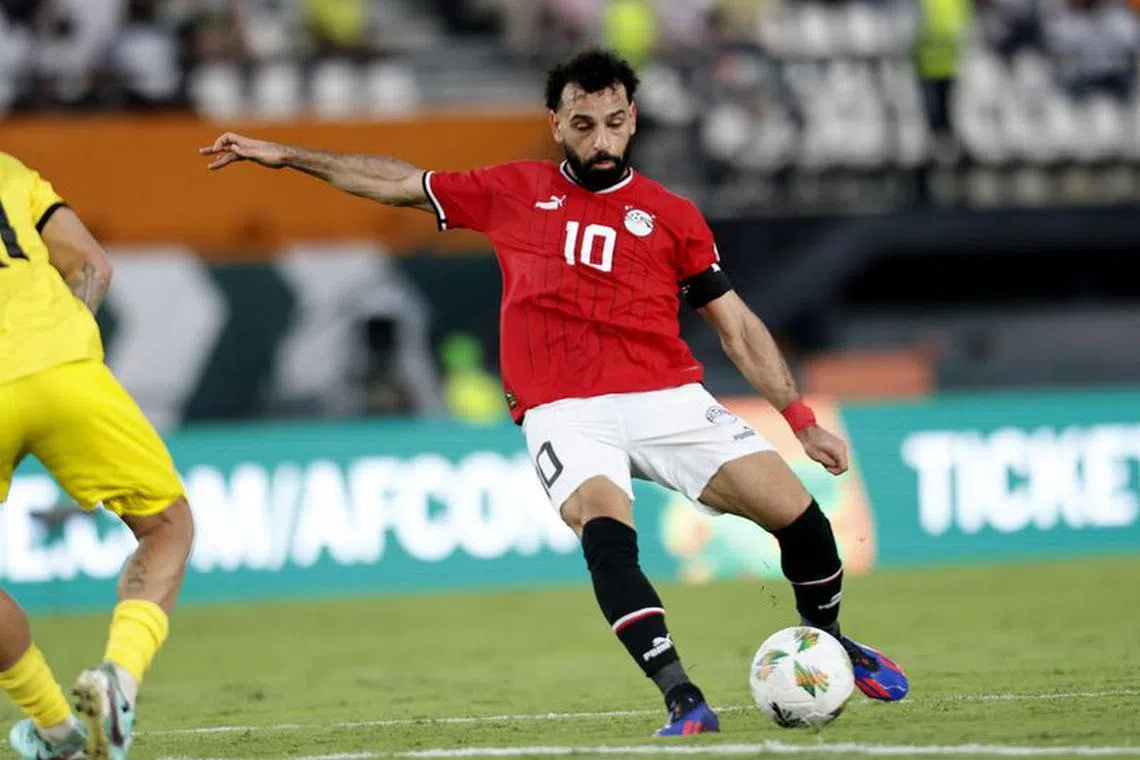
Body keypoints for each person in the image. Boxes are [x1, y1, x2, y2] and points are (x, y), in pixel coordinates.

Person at [199, 47, 909, 736]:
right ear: (556, 124)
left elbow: (739, 328)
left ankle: (828, 642)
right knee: (606, 533)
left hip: (666, 397)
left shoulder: (672, 215)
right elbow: (397, 182)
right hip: (564, 409)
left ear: (632, 121)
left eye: (614, 123)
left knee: (800, 517)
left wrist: (800, 419)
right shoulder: (512, 190)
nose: (601, 140)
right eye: (583, 124)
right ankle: (682, 696)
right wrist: (288, 155)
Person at [0, 151, 195, 760]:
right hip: (66, 372)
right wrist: (50, 343)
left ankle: (55, 729)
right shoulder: (9, 173)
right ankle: (120, 680)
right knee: (167, 527)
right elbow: (93, 265)